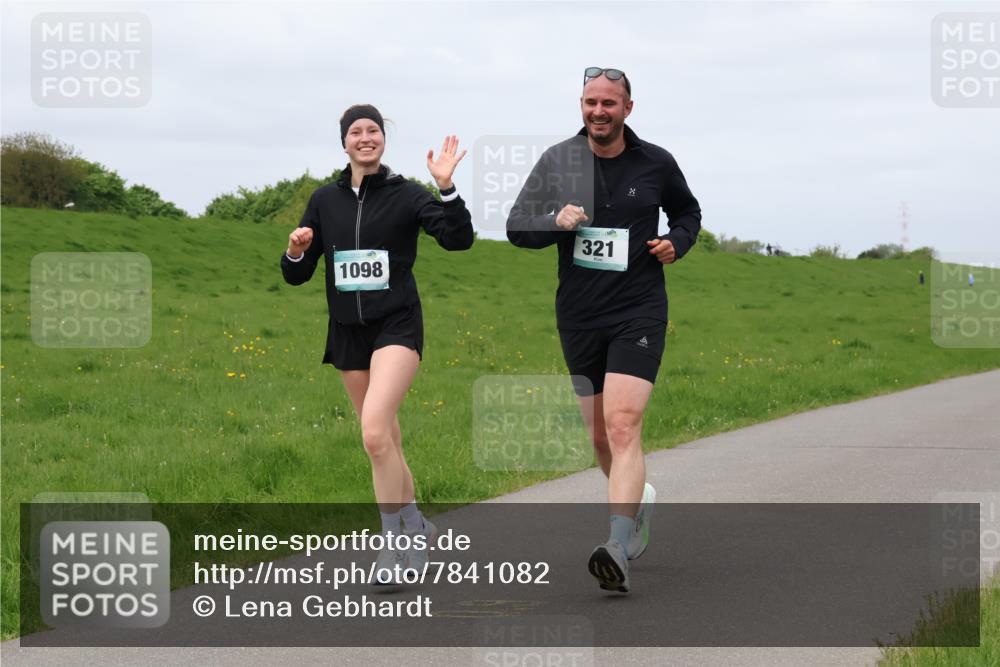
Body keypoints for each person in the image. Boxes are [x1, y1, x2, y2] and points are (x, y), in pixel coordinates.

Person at [506, 68, 702, 593]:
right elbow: (516, 227)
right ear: (581, 105)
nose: (599, 111)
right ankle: (637, 503)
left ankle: (616, 545)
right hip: (579, 315)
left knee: (622, 425)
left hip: (638, 309)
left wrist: (677, 242)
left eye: (609, 103)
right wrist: (555, 222)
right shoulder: (558, 161)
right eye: (590, 102)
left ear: (627, 108)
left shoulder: (656, 162)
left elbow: (688, 212)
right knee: (599, 436)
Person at [281, 104, 473, 584]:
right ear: (344, 142)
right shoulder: (324, 200)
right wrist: (296, 251)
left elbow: (458, 240)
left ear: (383, 139)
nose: (365, 137)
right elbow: (297, 274)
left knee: (372, 433)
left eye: (373, 130)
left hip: (397, 326)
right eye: (356, 131)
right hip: (348, 331)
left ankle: (393, 545)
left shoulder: (407, 194)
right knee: (385, 441)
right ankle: (417, 526)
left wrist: (446, 188)